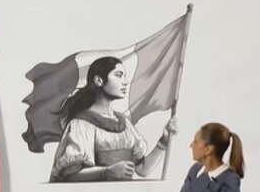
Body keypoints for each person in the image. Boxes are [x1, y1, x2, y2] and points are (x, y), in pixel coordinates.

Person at [48, 56, 176, 182]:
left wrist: (163, 142)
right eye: (119, 75)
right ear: (99, 81)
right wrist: (107, 172)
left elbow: (142, 169)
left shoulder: (124, 122)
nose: (125, 81)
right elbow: (70, 175)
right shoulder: (81, 123)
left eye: (124, 76)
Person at [171, 122, 244, 192]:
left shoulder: (230, 179)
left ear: (208, 149)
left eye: (196, 142)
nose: (191, 145)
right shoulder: (195, 170)